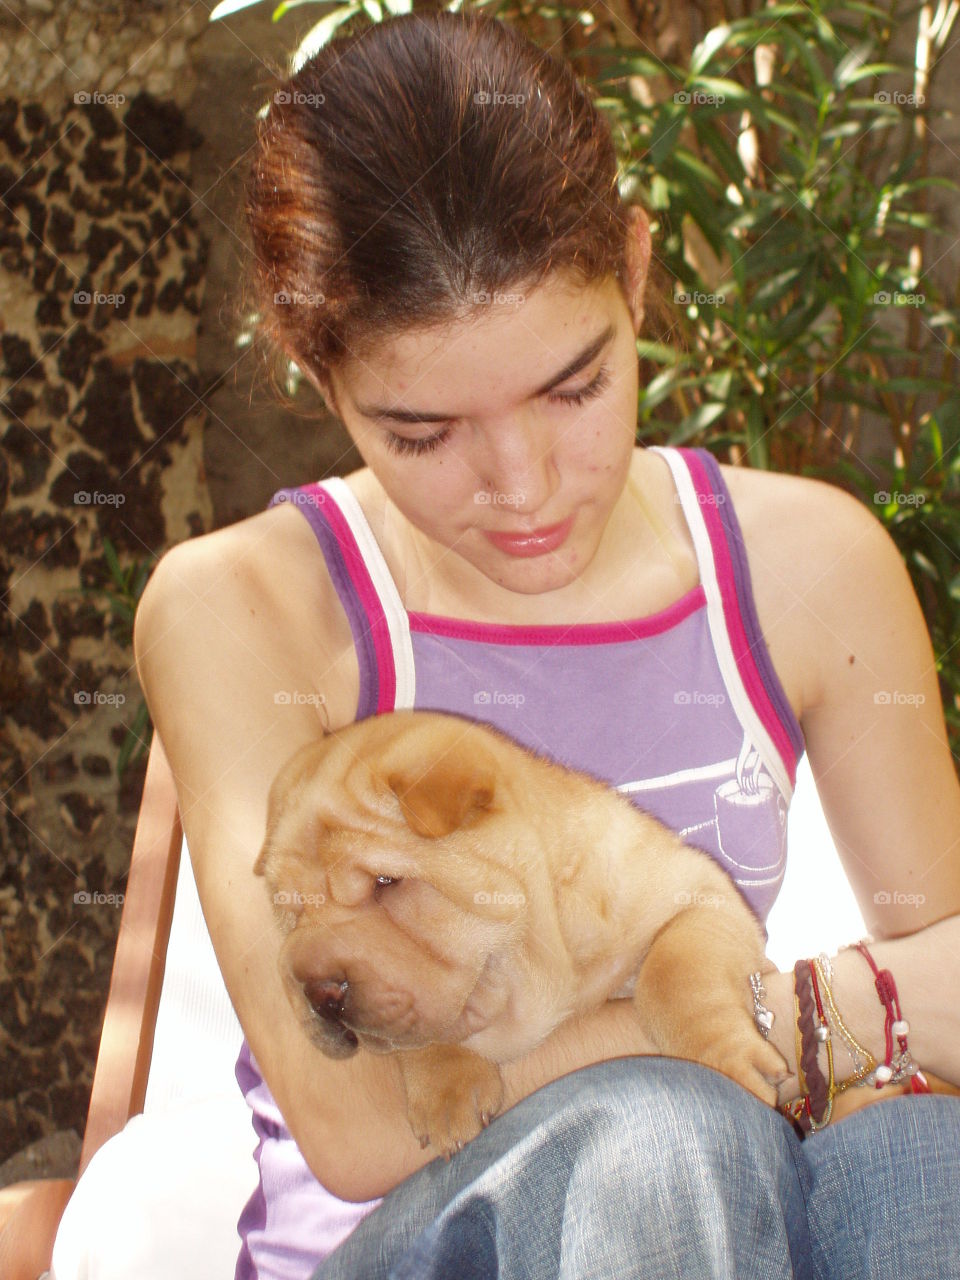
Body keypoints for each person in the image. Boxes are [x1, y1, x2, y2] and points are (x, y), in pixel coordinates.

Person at [133, 9, 960, 1279]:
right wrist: (758, 1014)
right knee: (665, 1133)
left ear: (633, 275)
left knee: (923, 1158)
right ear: (315, 370)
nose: (523, 486)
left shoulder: (811, 563)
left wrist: (789, 1032)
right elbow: (367, 1122)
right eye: (423, 432)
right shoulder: (245, 606)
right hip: (421, 1242)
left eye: (574, 387)